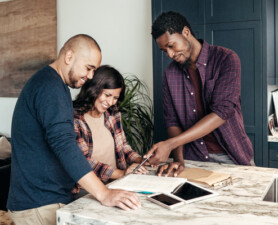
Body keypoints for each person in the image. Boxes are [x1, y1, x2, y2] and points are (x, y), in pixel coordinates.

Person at [7, 34, 140, 225]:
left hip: (41, 201)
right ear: (69, 57)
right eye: (89, 68)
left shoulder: (50, 84)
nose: (91, 76)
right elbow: (65, 145)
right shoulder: (50, 87)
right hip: (40, 205)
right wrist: (104, 193)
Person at [145, 11, 254, 176]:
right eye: (164, 51)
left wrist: (170, 144)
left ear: (186, 33)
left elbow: (221, 112)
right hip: (193, 159)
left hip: (232, 156)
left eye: (171, 45)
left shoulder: (226, 59)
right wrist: (179, 160)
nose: (170, 55)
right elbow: (173, 122)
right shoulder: (170, 74)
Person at [72, 65, 148, 196]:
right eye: (107, 95)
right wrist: (121, 173)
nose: (110, 102)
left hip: (116, 185)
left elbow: (123, 146)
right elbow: (83, 162)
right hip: (88, 191)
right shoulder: (74, 119)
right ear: (93, 89)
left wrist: (140, 160)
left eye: (115, 98)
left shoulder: (112, 114)